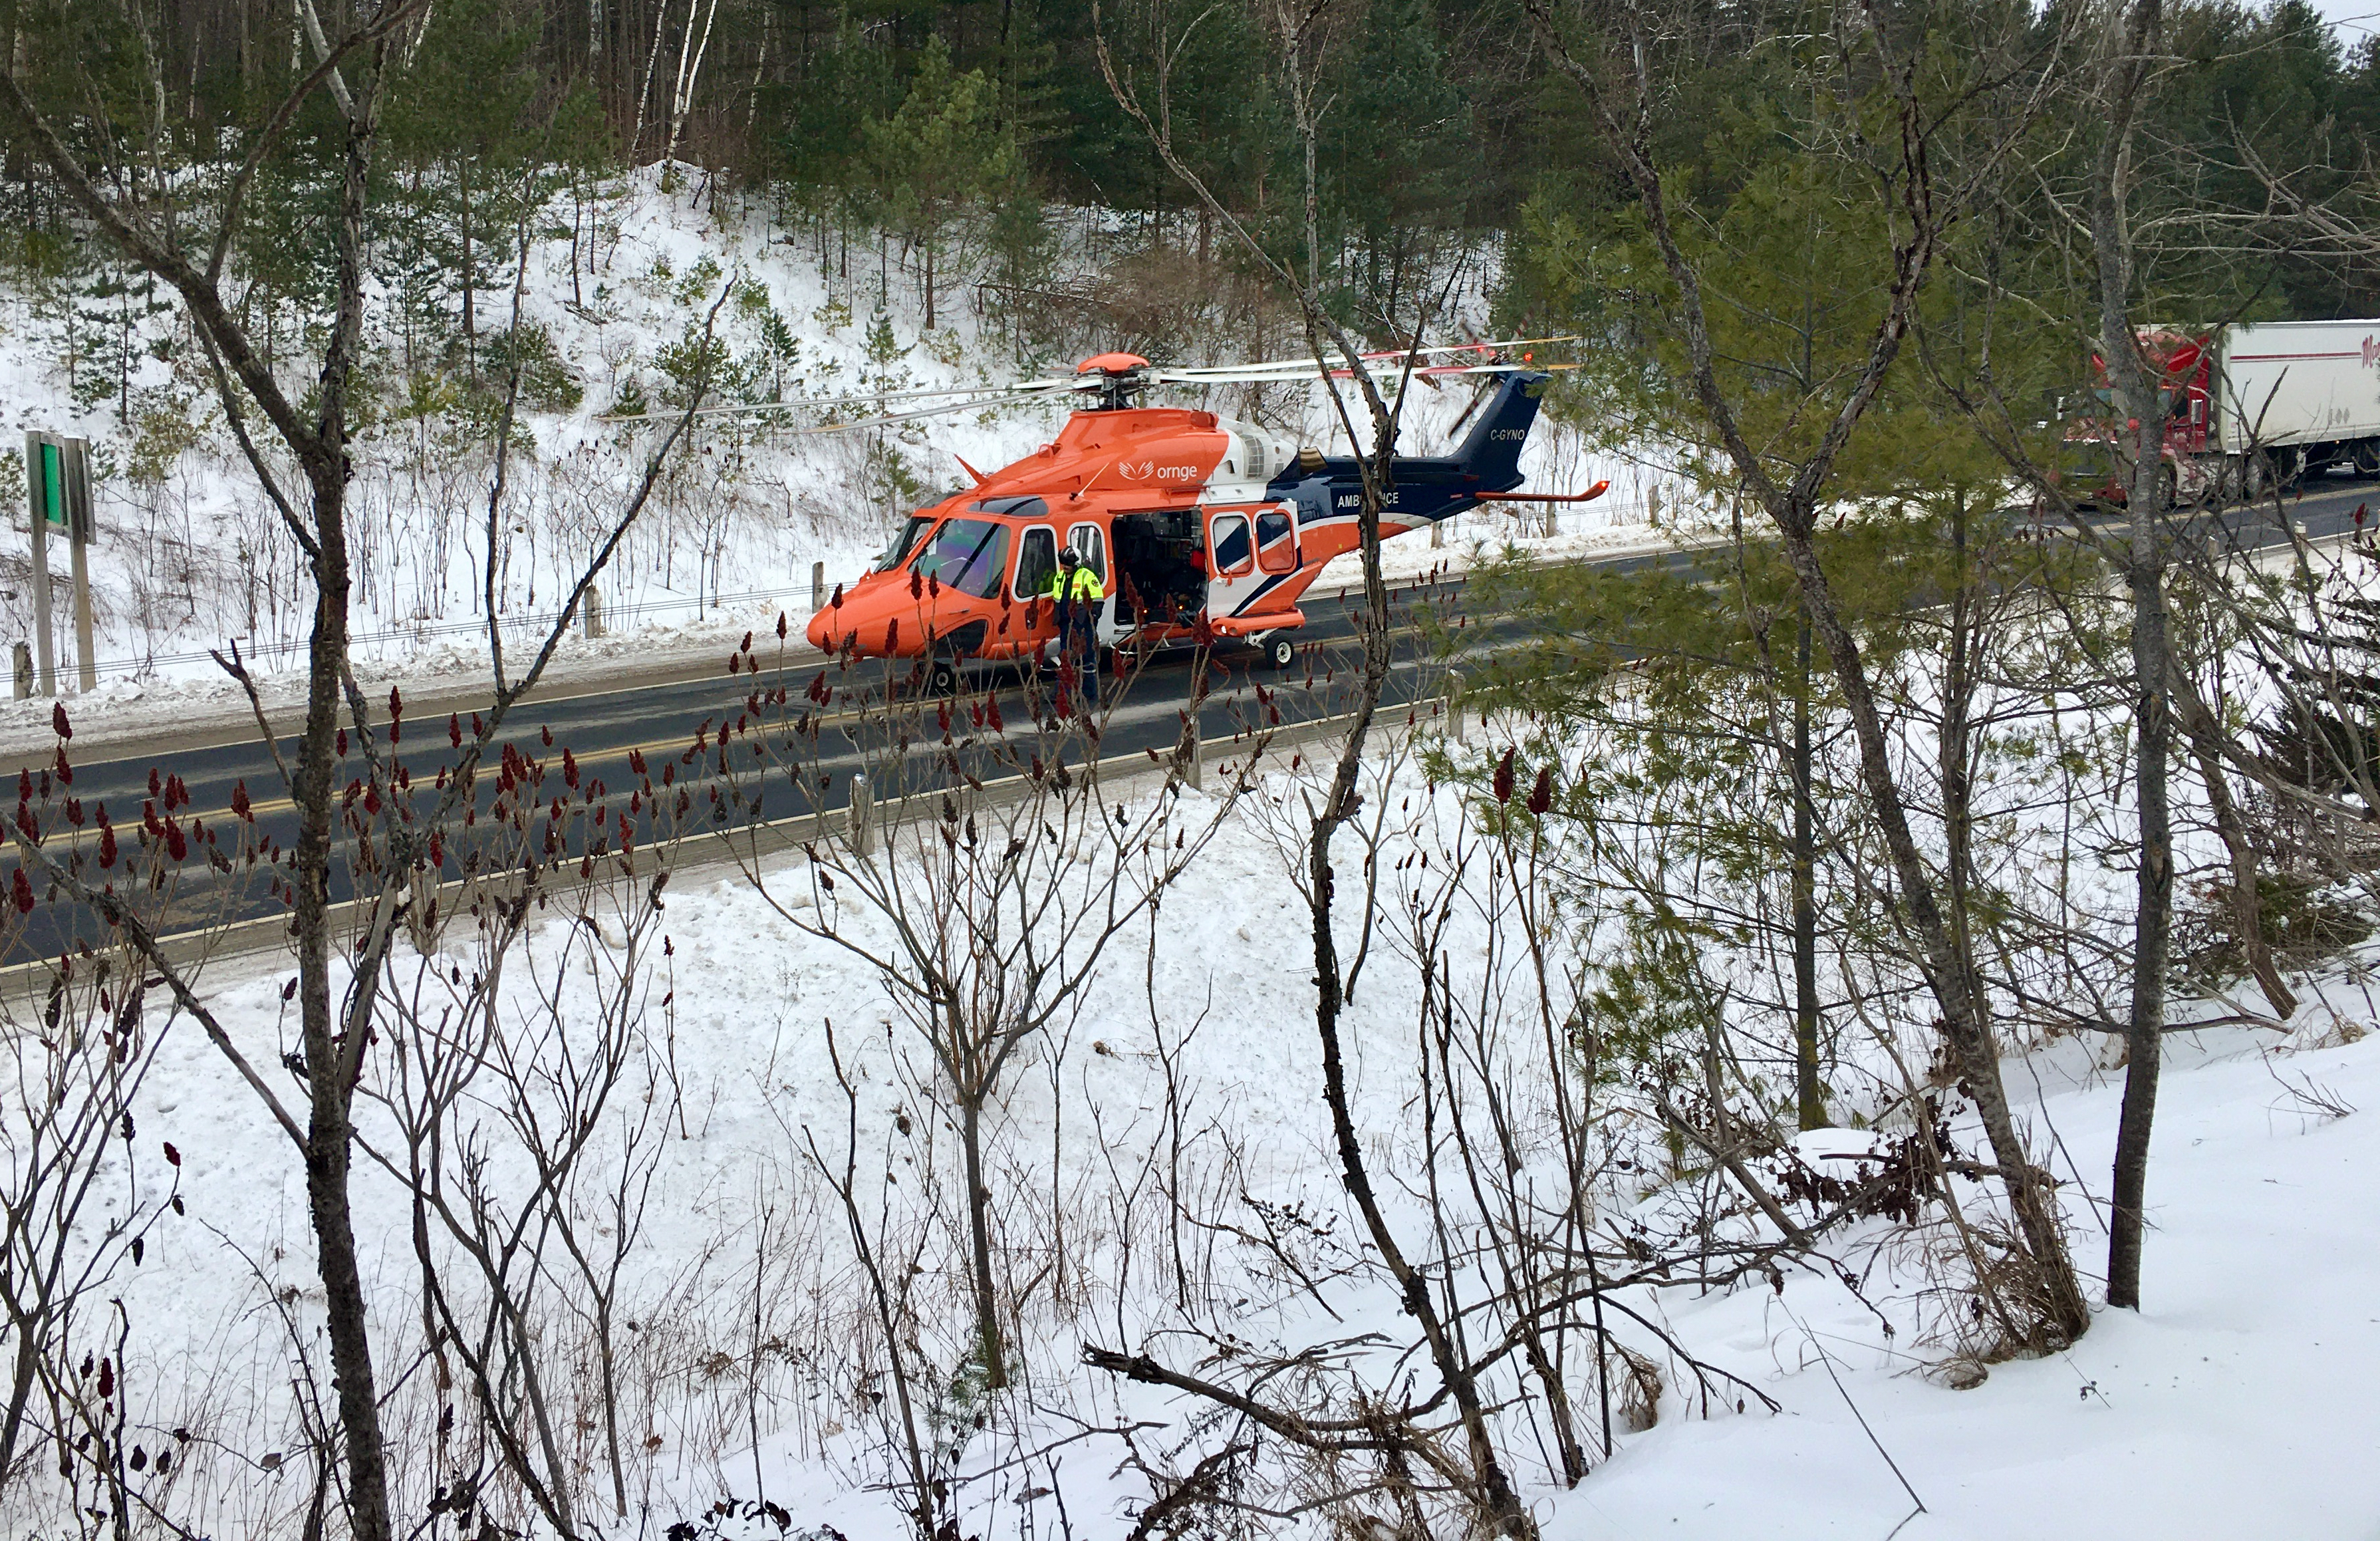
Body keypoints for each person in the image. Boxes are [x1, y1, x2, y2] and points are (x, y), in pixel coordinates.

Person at [1046, 545, 1106, 705]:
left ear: (1076, 563)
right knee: (1065, 657)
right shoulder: (1060, 577)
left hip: (1083, 623)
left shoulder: (1087, 576)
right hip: (1067, 623)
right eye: (1063, 563)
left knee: (1087, 658)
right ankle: (1063, 692)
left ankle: (1089, 691)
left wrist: (1092, 618)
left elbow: (1098, 599)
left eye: (1068, 563)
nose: (1065, 566)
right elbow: (1058, 599)